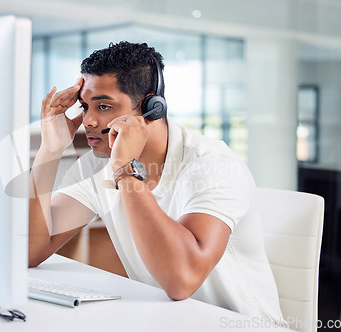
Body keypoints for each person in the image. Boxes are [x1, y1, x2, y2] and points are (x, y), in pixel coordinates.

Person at [28, 41, 284, 324]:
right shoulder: (96, 165)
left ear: (152, 107)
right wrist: (49, 151)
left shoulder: (213, 165)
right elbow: (31, 250)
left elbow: (182, 280)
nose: (88, 120)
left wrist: (126, 169)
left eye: (103, 106)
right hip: (171, 321)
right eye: (85, 106)